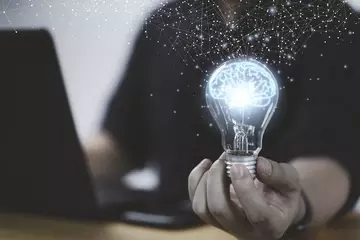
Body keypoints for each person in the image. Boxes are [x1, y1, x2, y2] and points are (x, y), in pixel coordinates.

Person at [85, 0, 360, 238]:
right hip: (166, 231)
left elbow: (333, 158)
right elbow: (120, 144)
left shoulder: (330, 22)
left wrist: (292, 205)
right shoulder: (164, 23)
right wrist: (51, 160)